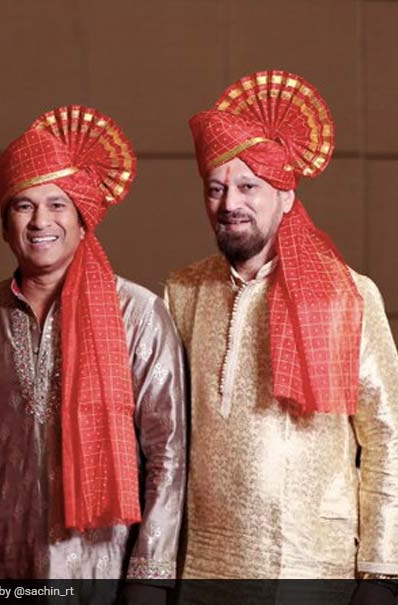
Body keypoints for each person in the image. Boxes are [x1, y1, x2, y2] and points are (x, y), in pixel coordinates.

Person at [165, 70, 398, 587]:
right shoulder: (183, 292)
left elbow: (388, 436)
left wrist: (382, 574)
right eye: (216, 188)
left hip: (313, 568)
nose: (230, 204)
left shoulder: (347, 294)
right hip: (202, 568)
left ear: (287, 196)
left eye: (249, 186)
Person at [0, 105, 186, 599]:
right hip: (4, 568)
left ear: (83, 218)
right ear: (4, 224)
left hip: (106, 572)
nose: (41, 221)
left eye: (57, 204)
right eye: (23, 205)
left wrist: (150, 579)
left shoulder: (138, 314)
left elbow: (167, 453)